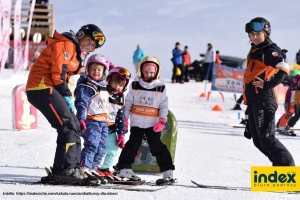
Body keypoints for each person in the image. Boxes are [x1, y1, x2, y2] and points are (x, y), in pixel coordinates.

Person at [26, 24, 106, 185]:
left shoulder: (75, 52)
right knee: (68, 125)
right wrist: (66, 95)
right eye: (89, 40)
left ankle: (71, 167)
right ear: (81, 34)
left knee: (74, 125)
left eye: (93, 45)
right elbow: (58, 72)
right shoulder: (67, 44)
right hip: (42, 86)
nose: (89, 45)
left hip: (50, 87)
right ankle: (65, 169)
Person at [115, 56, 175, 184]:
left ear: (156, 72)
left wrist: (162, 121)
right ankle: (123, 168)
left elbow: (163, 106)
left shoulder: (161, 88)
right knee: (132, 145)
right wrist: (125, 118)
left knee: (157, 146)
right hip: (137, 122)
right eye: (146, 72)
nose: (149, 75)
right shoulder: (135, 85)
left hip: (152, 123)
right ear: (141, 71)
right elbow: (129, 102)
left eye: (152, 72)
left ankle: (168, 171)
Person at [243, 17, 294, 166]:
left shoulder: (269, 50)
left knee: (267, 138)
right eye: (251, 34)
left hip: (264, 100)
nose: (254, 37)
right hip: (254, 102)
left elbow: (284, 68)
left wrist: (267, 84)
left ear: (266, 33)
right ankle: (279, 169)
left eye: (257, 34)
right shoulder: (255, 51)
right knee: (258, 141)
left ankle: (288, 171)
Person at [74, 54, 110, 185]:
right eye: (93, 69)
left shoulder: (104, 86)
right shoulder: (86, 85)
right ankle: (85, 168)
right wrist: (81, 118)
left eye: (99, 70)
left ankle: (93, 169)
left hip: (103, 122)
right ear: (88, 69)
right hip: (91, 120)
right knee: (92, 145)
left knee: (102, 148)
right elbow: (81, 102)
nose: (96, 72)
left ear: (104, 72)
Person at [97, 67, 131, 182]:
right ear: (109, 80)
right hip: (98, 126)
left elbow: (121, 117)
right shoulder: (102, 91)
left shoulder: (121, 98)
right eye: (115, 83)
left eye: (120, 85)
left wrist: (121, 134)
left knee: (112, 150)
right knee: (99, 149)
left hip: (111, 129)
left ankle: (105, 168)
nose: (117, 87)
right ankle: (95, 168)